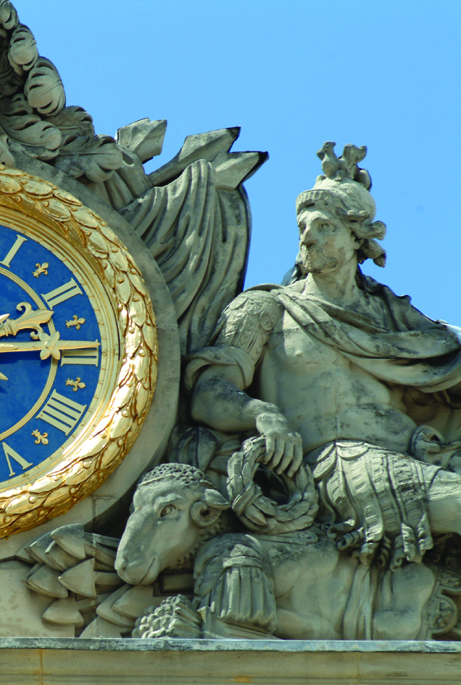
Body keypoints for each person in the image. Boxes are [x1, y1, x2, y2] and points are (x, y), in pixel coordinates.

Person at [186, 143, 461, 570]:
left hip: (419, 453)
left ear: (357, 237)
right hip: (342, 467)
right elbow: (209, 392)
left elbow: (449, 353)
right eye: (302, 226)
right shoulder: (265, 308)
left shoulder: (391, 314)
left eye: (323, 226)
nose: (307, 236)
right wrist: (262, 414)